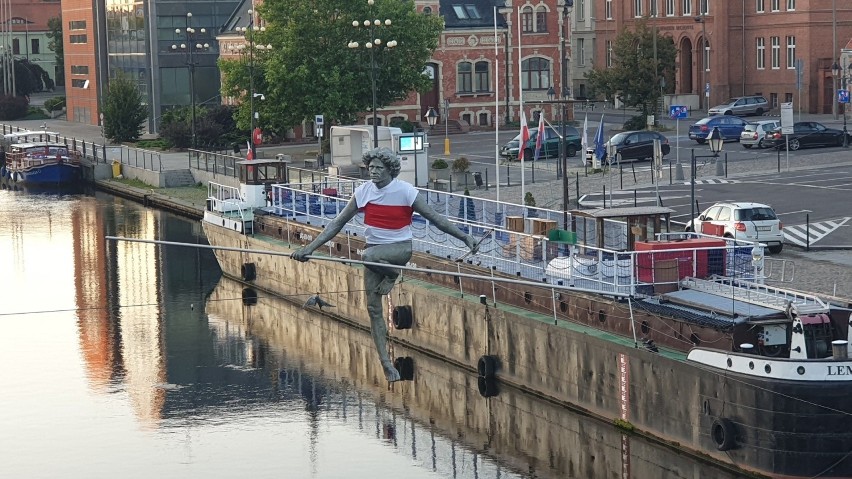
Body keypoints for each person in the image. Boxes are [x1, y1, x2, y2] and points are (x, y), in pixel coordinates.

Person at [292, 147, 478, 382]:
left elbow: (436, 219)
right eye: (371, 168)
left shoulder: (405, 192)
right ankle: (387, 365)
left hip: (399, 249)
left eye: (379, 168)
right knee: (372, 308)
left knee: (367, 257)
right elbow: (336, 223)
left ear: (391, 170)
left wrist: (465, 237)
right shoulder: (363, 192)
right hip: (375, 251)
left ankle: (392, 276)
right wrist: (309, 248)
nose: (374, 172)